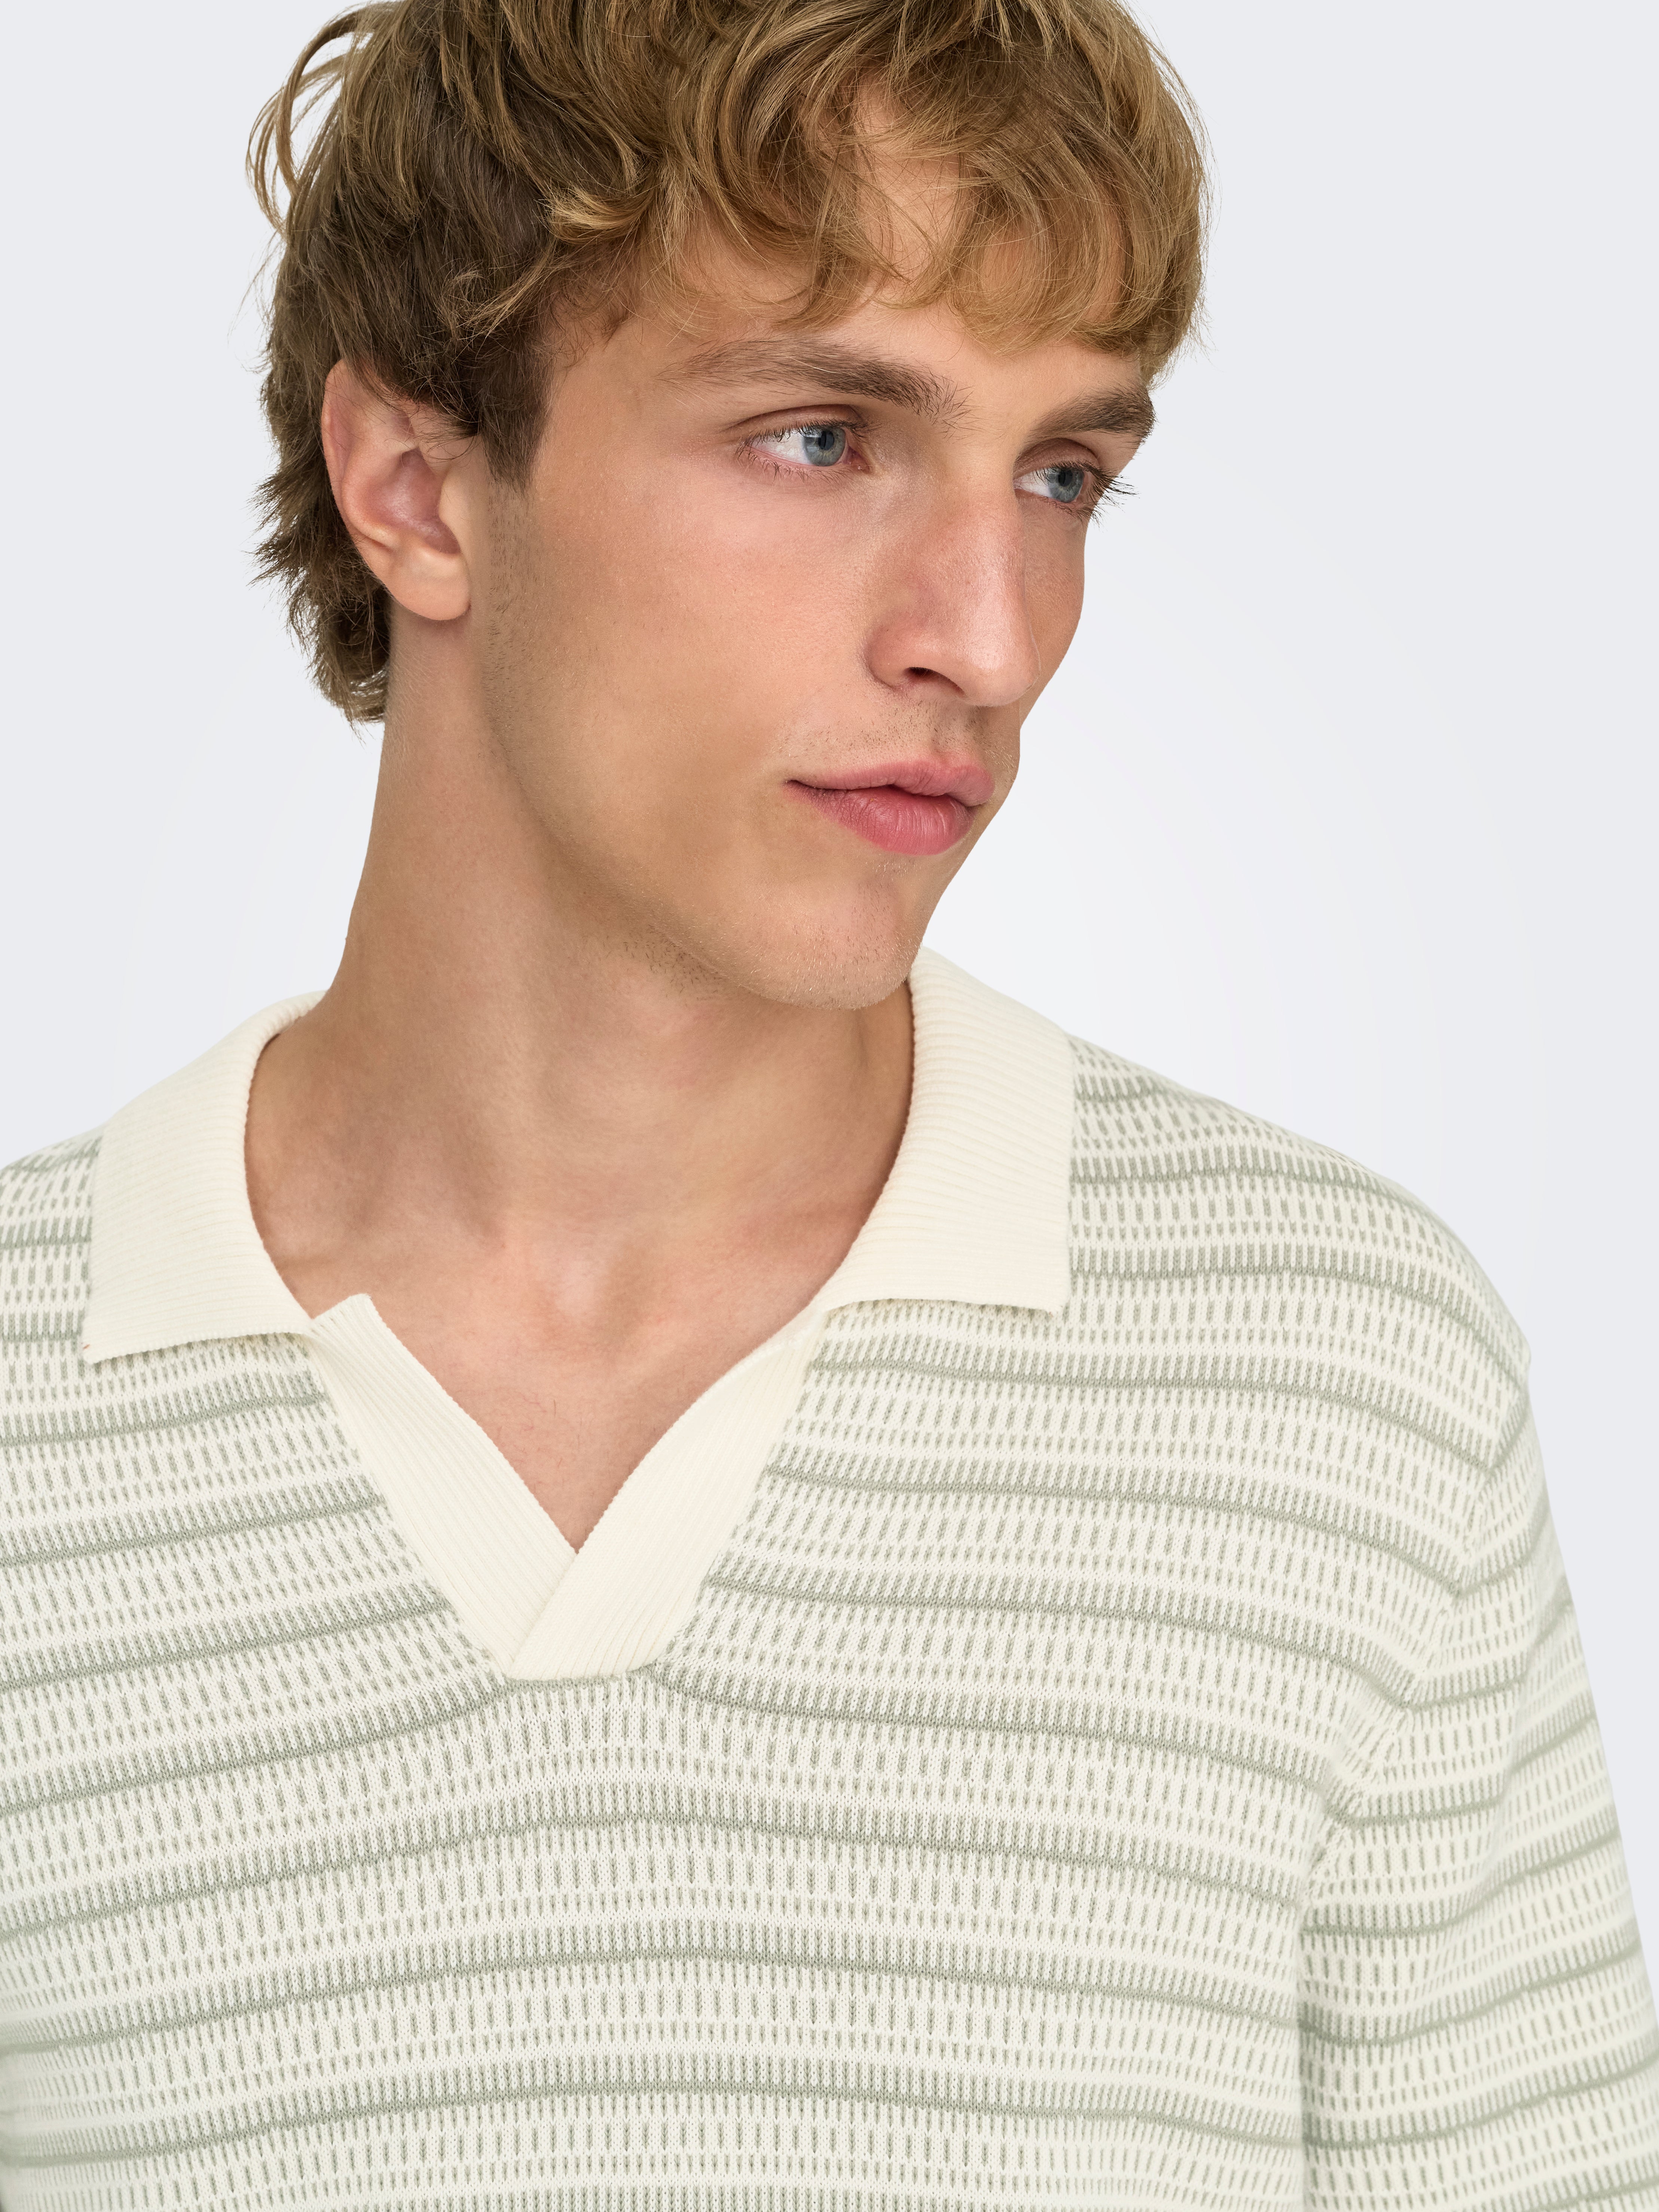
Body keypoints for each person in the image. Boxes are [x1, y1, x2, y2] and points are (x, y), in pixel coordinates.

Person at [2, 0, 1654, 2202]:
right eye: (820, 438)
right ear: (413, 486)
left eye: (1061, 475)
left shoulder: (1343, 1384)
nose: (992, 635)